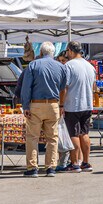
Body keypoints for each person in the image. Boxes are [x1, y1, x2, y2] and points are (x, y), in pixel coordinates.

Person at [21, 41, 68, 178]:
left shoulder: (33, 65)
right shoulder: (60, 67)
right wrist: (61, 105)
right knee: (52, 138)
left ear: (40, 52)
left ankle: (32, 168)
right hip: (53, 105)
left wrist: (25, 106)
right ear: (53, 53)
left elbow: (26, 88)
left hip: (36, 104)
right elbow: (63, 88)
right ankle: (50, 168)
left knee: (32, 137)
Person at [60, 41, 97, 173]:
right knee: (84, 133)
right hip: (87, 104)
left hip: (73, 105)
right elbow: (94, 86)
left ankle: (75, 163)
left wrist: (61, 104)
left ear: (70, 50)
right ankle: (86, 162)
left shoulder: (69, 66)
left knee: (73, 134)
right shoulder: (90, 66)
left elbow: (65, 87)